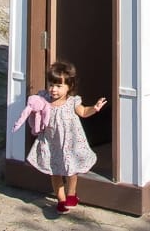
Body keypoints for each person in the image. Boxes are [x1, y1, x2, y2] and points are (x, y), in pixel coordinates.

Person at [26, 60, 107, 214]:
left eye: (58, 86)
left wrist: (94, 108)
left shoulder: (72, 102)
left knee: (72, 171)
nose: (53, 89)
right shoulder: (44, 100)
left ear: (69, 86)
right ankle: (61, 200)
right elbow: (35, 109)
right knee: (55, 172)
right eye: (51, 84)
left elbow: (83, 112)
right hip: (51, 143)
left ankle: (71, 194)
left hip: (70, 143)